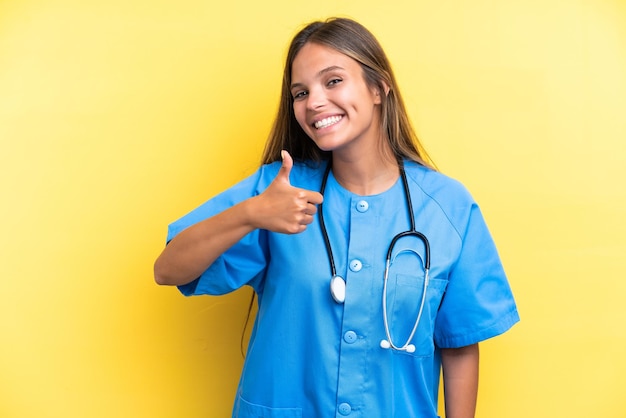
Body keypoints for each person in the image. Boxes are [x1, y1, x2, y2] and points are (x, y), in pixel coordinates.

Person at [154, 17, 519, 418]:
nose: (313, 102)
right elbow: (169, 270)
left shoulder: (448, 206)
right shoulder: (277, 190)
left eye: (332, 82)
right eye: (300, 92)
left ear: (379, 88)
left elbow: (460, 342)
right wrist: (250, 213)